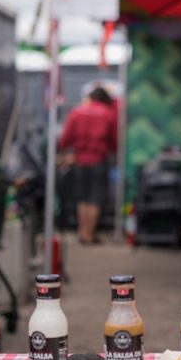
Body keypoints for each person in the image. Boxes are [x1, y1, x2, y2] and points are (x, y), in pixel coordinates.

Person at [59, 85, 117, 244]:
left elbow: (65, 139)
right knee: (96, 198)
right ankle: (89, 234)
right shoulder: (109, 114)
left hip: (79, 161)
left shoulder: (77, 111)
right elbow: (114, 141)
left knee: (82, 197)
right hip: (99, 160)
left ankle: (81, 232)